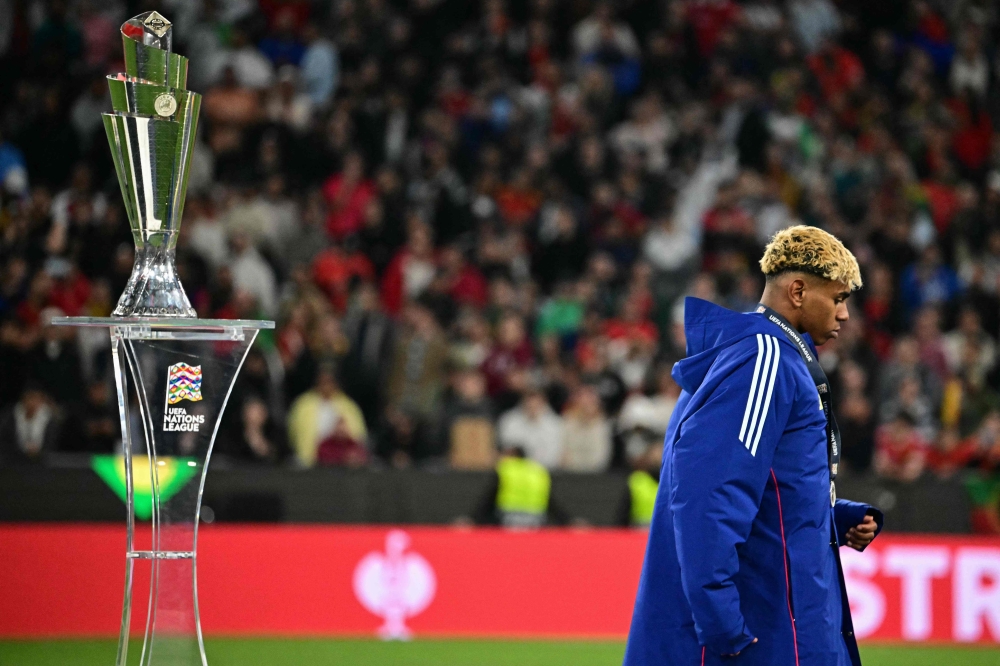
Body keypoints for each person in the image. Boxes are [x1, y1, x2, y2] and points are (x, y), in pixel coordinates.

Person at [625, 226, 883, 666]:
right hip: (763, 634)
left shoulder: (768, 356)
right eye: (838, 299)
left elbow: (762, 490)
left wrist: (832, 520)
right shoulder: (762, 358)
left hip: (780, 625)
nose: (843, 315)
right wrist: (724, 627)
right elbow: (709, 497)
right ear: (798, 291)